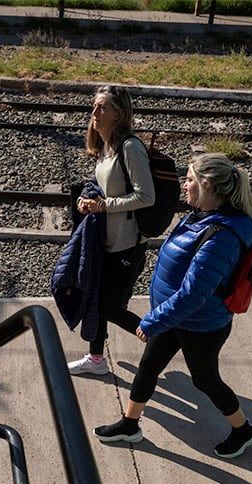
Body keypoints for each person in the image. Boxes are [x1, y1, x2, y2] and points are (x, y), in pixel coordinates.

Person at [93, 153, 252, 459]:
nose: (185, 185)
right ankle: (130, 425)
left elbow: (194, 294)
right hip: (175, 315)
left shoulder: (221, 236)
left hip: (201, 324)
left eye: (190, 180)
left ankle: (244, 430)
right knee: (148, 367)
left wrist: (153, 321)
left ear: (208, 185)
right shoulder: (200, 215)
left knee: (205, 379)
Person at [66, 85, 156, 377]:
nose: (94, 113)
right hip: (106, 240)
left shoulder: (130, 148)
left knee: (109, 307)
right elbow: (102, 185)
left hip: (127, 245)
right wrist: (87, 198)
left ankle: (158, 340)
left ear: (119, 114)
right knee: (97, 297)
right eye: (94, 106)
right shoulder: (107, 146)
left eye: (102, 107)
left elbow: (146, 197)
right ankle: (96, 359)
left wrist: (103, 206)